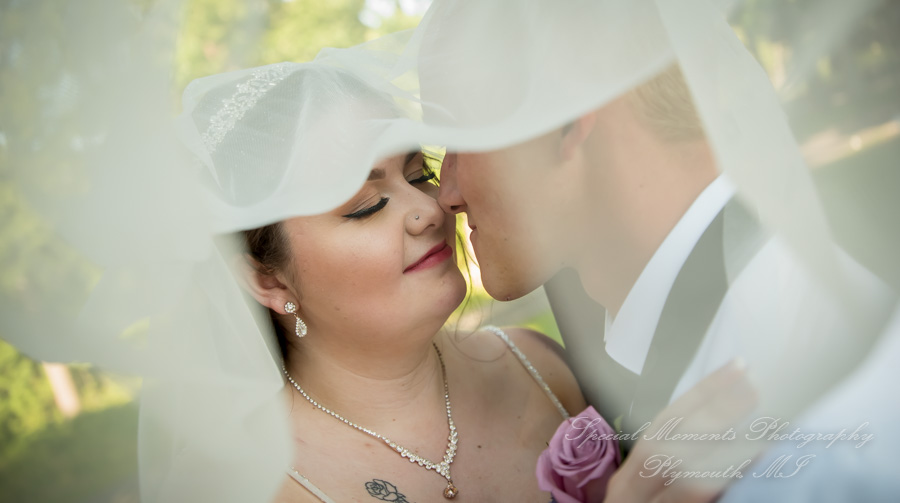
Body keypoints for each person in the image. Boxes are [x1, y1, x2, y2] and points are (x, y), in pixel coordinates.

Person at [179, 62, 590, 502]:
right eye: (367, 206)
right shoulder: (253, 482)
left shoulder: (541, 365)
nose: (430, 210)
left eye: (419, 176)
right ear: (267, 279)